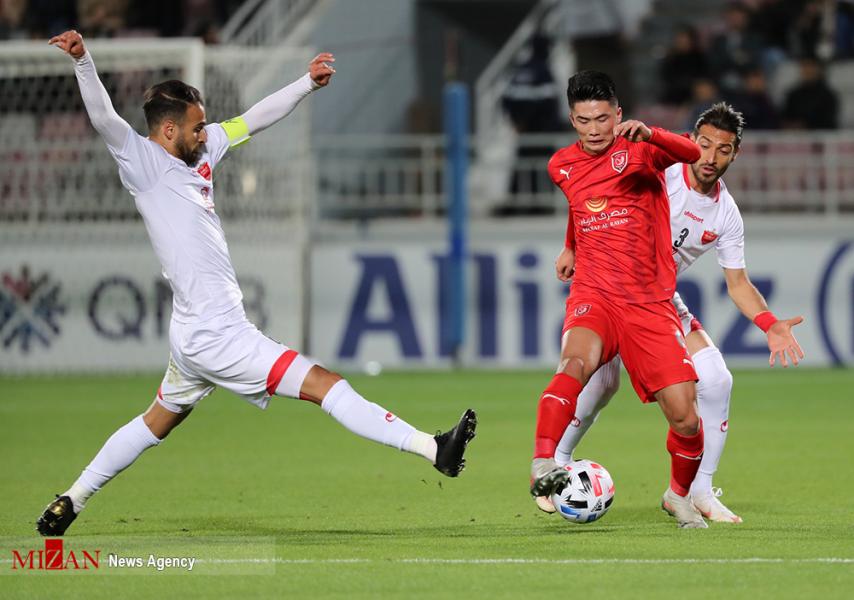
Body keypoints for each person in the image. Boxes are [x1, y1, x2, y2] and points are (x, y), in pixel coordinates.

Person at [36, 30, 477, 536]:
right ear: (168, 130)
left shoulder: (201, 152)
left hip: (193, 332)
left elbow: (255, 118)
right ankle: (433, 449)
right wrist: (83, 61)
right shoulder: (144, 163)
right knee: (325, 385)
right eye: (196, 127)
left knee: (155, 421)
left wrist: (305, 84)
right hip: (218, 336)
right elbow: (104, 118)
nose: (205, 134)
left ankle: (71, 500)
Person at [539, 103, 805, 523]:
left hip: (657, 299)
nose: (710, 157)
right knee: (600, 382)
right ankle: (557, 462)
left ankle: (699, 490)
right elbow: (591, 188)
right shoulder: (663, 168)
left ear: (735, 154)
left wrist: (769, 324)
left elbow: (738, 283)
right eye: (704, 145)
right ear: (691, 141)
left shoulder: (726, 213)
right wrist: (571, 244)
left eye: (723, 150)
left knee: (716, 379)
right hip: (608, 287)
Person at [532, 70, 707, 528]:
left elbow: (693, 153)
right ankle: (543, 462)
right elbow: (581, 205)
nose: (594, 130)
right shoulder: (561, 165)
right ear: (572, 119)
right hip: (595, 293)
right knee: (575, 363)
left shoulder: (642, 148)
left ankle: (678, 496)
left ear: (618, 115)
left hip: (648, 302)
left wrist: (653, 133)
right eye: (584, 120)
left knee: (686, 418)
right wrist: (571, 245)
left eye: (603, 119)